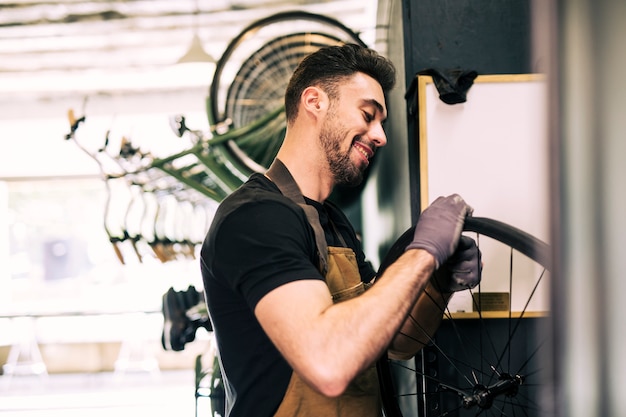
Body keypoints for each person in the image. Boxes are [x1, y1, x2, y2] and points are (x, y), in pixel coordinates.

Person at [200, 43, 481, 417]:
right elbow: (328, 364)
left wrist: (437, 280)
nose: (380, 136)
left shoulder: (333, 222)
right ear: (315, 102)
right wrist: (424, 252)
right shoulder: (255, 217)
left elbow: (394, 342)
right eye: (368, 115)